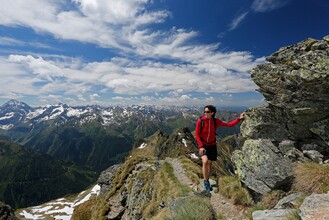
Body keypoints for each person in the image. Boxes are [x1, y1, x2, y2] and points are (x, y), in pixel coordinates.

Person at [195, 105, 246, 192]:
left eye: (207, 112)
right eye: (204, 111)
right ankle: (206, 182)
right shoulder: (201, 121)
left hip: (212, 145)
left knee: (210, 163)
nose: (205, 113)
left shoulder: (215, 121)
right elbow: (197, 135)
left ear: (212, 113)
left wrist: (239, 119)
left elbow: (228, 125)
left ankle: (208, 179)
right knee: (205, 161)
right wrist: (201, 146)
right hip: (204, 146)